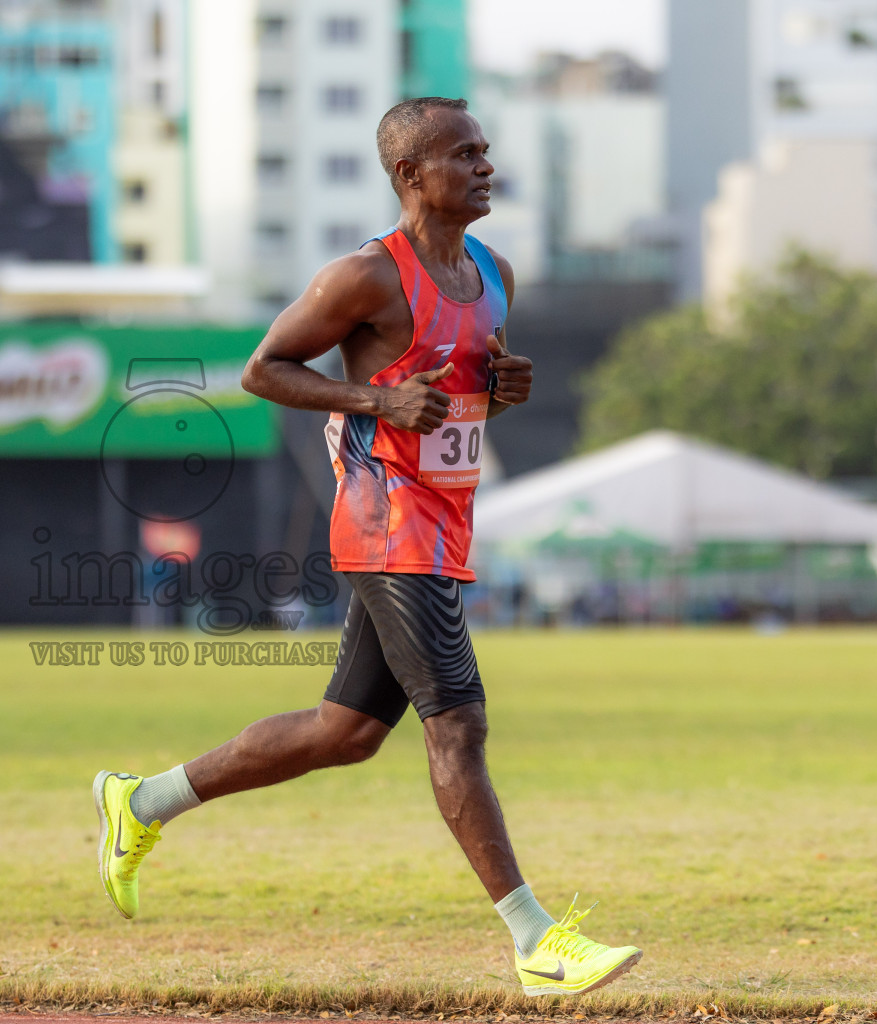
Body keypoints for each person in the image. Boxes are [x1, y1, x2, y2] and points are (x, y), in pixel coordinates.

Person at [93, 97, 641, 997]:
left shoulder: (495, 272)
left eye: (486, 151)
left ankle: (140, 801)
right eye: (463, 154)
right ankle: (536, 941)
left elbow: (461, 406)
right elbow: (262, 368)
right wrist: (377, 402)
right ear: (410, 176)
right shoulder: (366, 278)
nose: (485, 165)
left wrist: (503, 392)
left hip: (444, 523)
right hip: (388, 526)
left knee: (344, 733)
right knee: (458, 724)